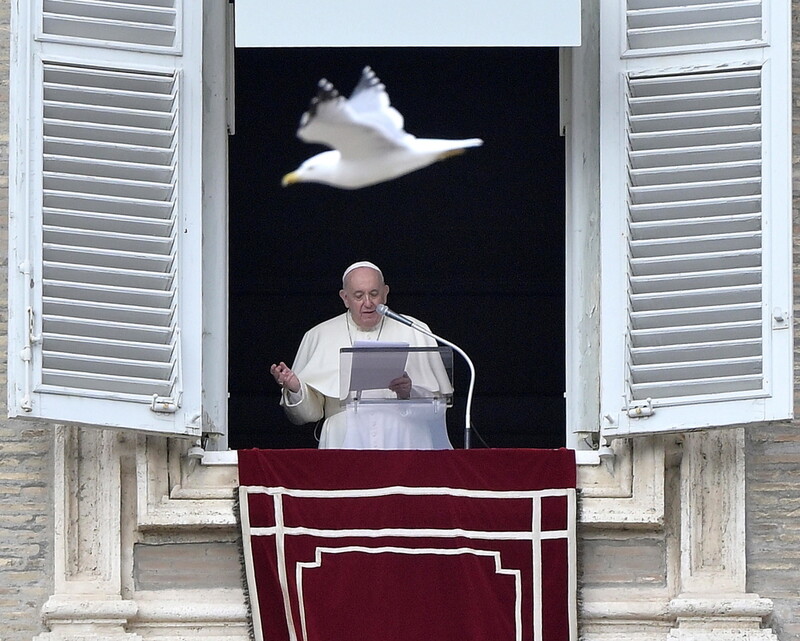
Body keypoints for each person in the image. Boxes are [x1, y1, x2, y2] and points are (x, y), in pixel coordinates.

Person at [270, 261, 453, 449]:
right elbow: (308, 415)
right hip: (345, 441)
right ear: (345, 298)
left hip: (405, 440)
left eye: (374, 294)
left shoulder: (416, 330)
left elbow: (437, 409)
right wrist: (296, 389)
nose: (368, 303)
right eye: (359, 296)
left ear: (385, 293)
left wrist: (410, 393)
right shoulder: (319, 335)